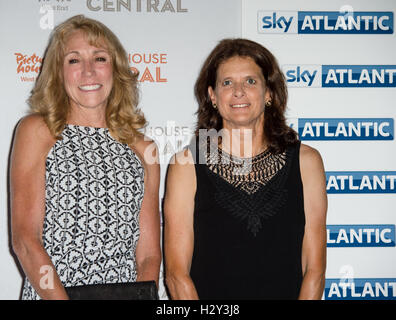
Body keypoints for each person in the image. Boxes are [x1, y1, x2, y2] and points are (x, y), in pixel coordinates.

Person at [10, 15, 161, 300]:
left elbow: (148, 256)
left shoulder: (143, 149)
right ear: (58, 72)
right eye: (74, 60)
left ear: (115, 69)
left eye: (100, 58)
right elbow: (26, 241)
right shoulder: (38, 131)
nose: (89, 71)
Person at [164, 38, 327, 300]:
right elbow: (176, 273)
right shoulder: (186, 166)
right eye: (227, 82)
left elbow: (314, 269)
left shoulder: (306, 162)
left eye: (250, 81)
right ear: (213, 96)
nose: (238, 91)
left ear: (269, 93)